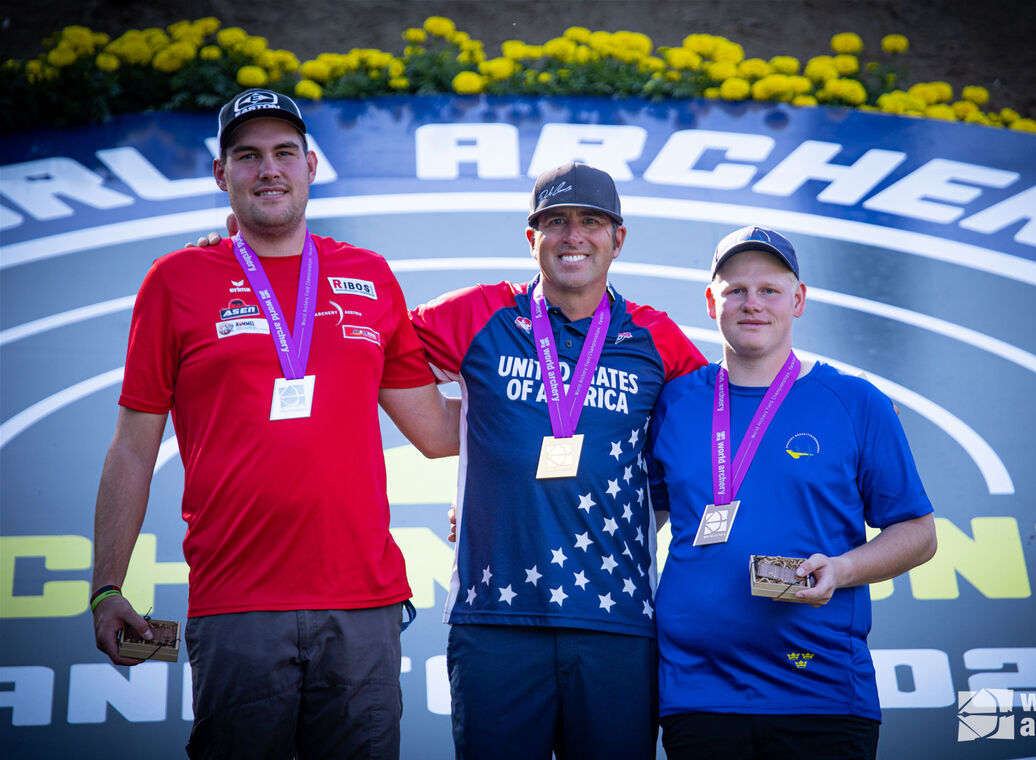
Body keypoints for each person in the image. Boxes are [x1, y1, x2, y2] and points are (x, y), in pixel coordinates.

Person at [90, 88, 460, 759]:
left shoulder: (369, 277)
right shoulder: (175, 281)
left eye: (284, 153)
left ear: (311, 166)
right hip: (238, 605)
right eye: (249, 155)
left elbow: (437, 434)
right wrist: (107, 587)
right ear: (221, 174)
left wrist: (541, 402)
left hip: (362, 602)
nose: (269, 169)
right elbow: (132, 447)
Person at [409, 162, 707, 759]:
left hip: (616, 622)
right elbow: (365, 344)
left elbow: (712, 435)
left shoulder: (654, 337)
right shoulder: (479, 313)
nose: (574, 235)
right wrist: (239, 256)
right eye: (556, 222)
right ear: (531, 237)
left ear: (617, 239)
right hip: (495, 621)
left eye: (591, 221)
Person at [645, 225, 937, 760]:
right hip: (697, 691)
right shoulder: (676, 401)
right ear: (711, 301)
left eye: (769, 290)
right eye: (735, 290)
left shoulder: (856, 401)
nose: (751, 304)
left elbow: (918, 533)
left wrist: (843, 570)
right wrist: (490, 505)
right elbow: (640, 510)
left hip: (820, 688)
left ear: (798, 300)